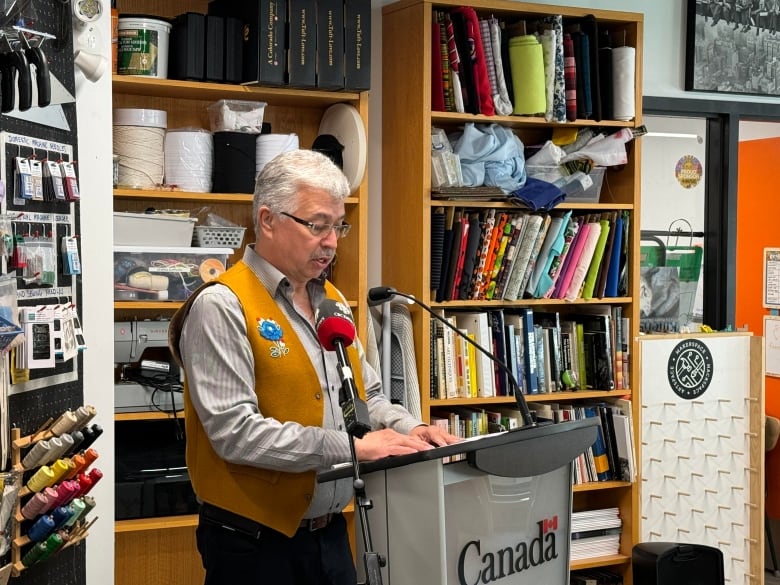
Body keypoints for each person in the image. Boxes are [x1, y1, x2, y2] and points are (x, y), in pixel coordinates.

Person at [169, 149, 460, 585]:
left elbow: (367, 398)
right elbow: (235, 433)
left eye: (338, 226)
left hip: (330, 538)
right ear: (267, 220)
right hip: (254, 545)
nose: (331, 241)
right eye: (317, 225)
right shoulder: (222, 305)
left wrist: (409, 429)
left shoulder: (333, 301)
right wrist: (354, 448)